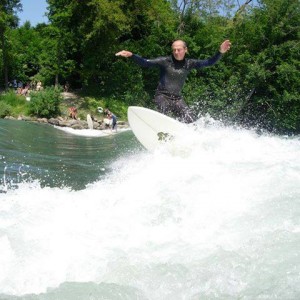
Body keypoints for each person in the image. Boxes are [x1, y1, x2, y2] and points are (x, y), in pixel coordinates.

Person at [116, 39, 231, 123]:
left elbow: (209, 62)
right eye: (174, 50)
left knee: (191, 120)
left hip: (177, 99)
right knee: (163, 111)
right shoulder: (164, 61)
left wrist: (220, 52)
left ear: (185, 50)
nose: (176, 52)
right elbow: (145, 62)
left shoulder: (190, 63)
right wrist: (132, 55)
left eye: (179, 49)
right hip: (162, 96)